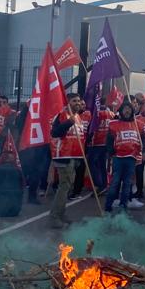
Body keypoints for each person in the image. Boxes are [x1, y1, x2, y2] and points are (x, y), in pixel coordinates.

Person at [47, 93, 89, 229]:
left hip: (74, 155)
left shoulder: (77, 117)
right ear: (68, 103)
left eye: (79, 100)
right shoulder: (62, 115)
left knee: (67, 186)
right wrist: (68, 122)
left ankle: (61, 214)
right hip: (63, 155)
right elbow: (55, 133)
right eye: (74, 101)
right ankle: (54, 217)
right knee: (64, 186)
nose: (77, 103)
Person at [105, 101, 144, 212]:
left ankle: (123, 206)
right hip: (118, 158)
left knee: (127, 184)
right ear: (121, 111)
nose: (127, 111)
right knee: (114, 183)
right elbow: (109, 140)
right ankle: (108, 206)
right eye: (125, 109)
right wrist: (111, 152)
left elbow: (143, 139)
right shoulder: (113, 124)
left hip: (131, 158)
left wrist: (144, 150)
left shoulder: (138, 124)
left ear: (132, 111)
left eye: (129, 109)